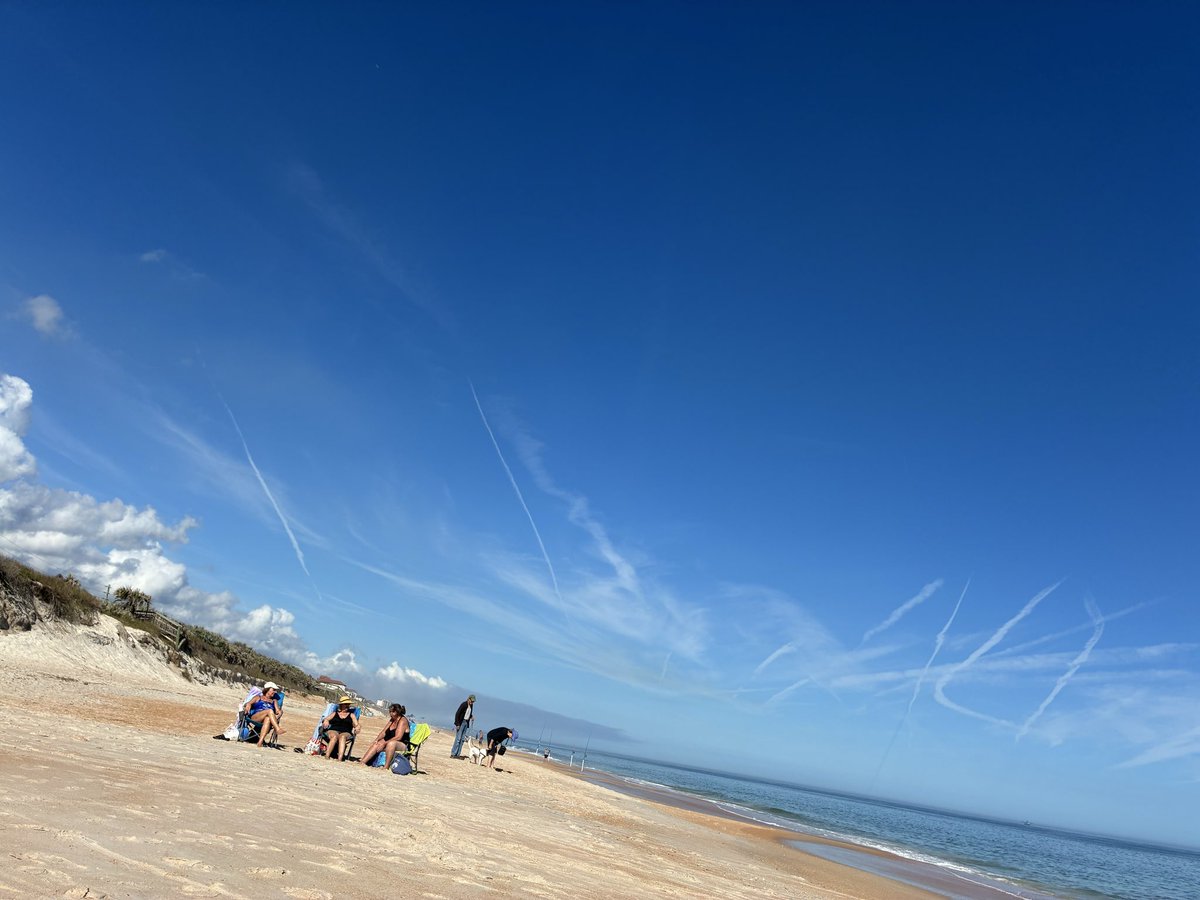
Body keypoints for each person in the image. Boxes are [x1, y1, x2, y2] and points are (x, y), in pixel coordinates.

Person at [360, 703, 410, 770]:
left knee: (391, 744)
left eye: (391, 712)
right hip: (391, 741)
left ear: (396, 712)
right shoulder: (392, 719)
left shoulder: (402, 721)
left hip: (402, 744)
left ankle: (386, 767)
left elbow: (398, 737)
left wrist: (384, 743)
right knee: (377, 744)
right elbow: (383, 732)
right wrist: (376, 740)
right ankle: (363, 762)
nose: (390, 713)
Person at [244, 682, 285, 747]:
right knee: (270, 711)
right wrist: (248, 706)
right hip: (256, 717)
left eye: (275, 690)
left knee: (268, 718)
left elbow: (278, 711)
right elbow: (249, 703)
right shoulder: (258, 697)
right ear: (267, 689)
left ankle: (260, 742)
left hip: (266, 719)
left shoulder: (274, 701)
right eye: (273, 690)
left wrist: (280, 712)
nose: (275, 692)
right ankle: (277, 728)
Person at [450, 694, 475, 758]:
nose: (472, 702)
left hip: (466, 723)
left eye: (473, 701)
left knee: (462, 739)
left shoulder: (471, 706)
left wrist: (471, 716)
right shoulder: (464, 704)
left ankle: (458, 754)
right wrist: (457, 724)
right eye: (471, 701)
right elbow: (457, 714)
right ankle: (453, 754)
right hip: (461, 723)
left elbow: (468, 714)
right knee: (458, 739)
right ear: (468, 699)